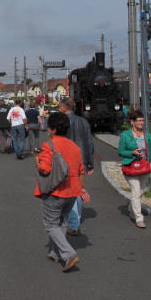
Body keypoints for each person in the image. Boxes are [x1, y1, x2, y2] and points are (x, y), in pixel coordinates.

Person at [36, 112, 86, 272]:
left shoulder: (49, 145)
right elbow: (80, 170)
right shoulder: (75, 147)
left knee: (50, 224)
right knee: (61, 222)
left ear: (54, 130)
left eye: (49, 127)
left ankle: (68, 253)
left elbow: (44, 169)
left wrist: (37, 161)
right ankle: (55, 253)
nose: (48, 130)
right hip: (72, 190)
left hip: (55, 191)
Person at [118, 109, 151, 228]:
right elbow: (120, 152)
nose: (142, 123)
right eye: (139, 121)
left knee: (141, 191)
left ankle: (131, 209)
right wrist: (132, 152)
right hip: (130, 167)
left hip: (144, 167)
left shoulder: (147, 136)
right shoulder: (125, 135)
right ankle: (139, 218)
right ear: (132, 122)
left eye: (143, 120)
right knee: (136, 191)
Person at [57, 98, 94, 236]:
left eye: (60, 106)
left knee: (69, 188)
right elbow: (89, 141)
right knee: (78, 188)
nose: (58, 108)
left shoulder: (63, 122)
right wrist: (90, 162)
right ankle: (76, 218)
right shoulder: (83, 121)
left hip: (67, 159)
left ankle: (73, 222)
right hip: (82, 157)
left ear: (66, 107)